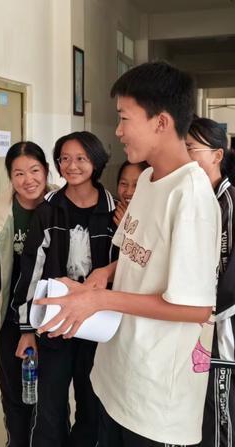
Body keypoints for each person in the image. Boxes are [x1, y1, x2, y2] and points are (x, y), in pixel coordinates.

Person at [36, 61, 221, 447]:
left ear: (161, 122)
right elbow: (143, 256)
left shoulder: (191, 196)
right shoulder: (150, 179)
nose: (118, 131)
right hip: (119, 372)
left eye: (124, 118)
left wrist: (100, 300)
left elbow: (195, 308)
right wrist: (105, 273)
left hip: (153, 398)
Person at [11, 131, 116, 447]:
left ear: (96, 161)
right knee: (50, 407)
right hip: (54, 324)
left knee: (93, 405)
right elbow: (31, 270)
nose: (72, 166)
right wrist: (27, 329)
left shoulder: (114, 211)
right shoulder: (48, 210)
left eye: (81, 158)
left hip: (98, 326)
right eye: (65, 159)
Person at [0, 141, 50, 447]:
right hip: (11, 318)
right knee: (14, 392)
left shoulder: (60, 207)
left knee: (49, 395)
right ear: (10, 177)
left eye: (35, 170)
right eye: (19, 173)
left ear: (46, 171)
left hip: (50, 317)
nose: (28, 180)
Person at [186, 117, 235, 447]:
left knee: (220, 413)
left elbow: (228, 279)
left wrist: (204, 313)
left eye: (192, 149)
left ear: (217, 155)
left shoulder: (228, 203)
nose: (186, 157)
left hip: (218, 330)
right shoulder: (195, 198)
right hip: (191, 326)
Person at [113, 160, 148, 226]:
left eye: (136, 185)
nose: (129, 192)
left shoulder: (158, 219)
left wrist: (126, 228)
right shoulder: (108, 215)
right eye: (124, 183)